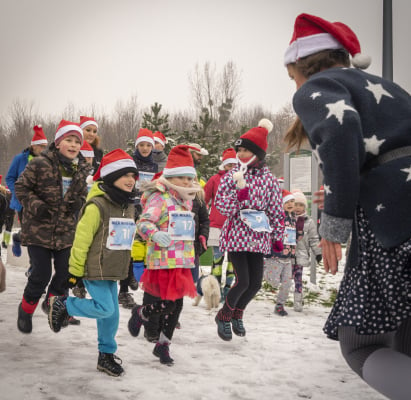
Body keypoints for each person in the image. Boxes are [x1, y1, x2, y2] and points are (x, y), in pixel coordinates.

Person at [283, 13, 411, 399]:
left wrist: (333, 225)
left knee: (359, 342)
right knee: (402, 339)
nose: (295, 86)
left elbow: (341, 133)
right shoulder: (389, 88)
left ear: (300, 68)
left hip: (394, 228)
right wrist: (352, 194)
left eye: (292, 78)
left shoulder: (317, 87)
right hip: (398, 206)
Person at [48, 149, 138, 377]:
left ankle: (105, 355)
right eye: (125, 175)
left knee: (112, 315)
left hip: (113, 270)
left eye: (133, 175)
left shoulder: (128, 206)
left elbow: (126, 242)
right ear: (110, 176)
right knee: (106, 308)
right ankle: (63, 304)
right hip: (94, 268)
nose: (131, 180)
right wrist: (75, 272)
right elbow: (81, 241)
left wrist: (128, 270)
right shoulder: (96, 206)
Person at [127, 145, 201, 365]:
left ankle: (163, 345)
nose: (187, 183)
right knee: (167, 304)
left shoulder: (186, 201)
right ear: (170, 177)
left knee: (177, 306)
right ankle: (142, 312)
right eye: (181, 178)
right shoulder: (160, 198)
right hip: (163, 260)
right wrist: (156, 234)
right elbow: (144, 223)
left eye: (190, 178)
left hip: (182, 260)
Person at [15, 120, 91, 334]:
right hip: (39, 230)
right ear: (58, 143)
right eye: (69, 140)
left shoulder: (82, 168)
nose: (74, 145)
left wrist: (81, 200)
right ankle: (26, 309)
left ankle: (52, 303)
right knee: (41, 274)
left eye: (77, 141)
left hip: (66, 230)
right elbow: (21, 187)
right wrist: (36, 205)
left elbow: (84, 192)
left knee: (66, 271)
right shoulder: (40, 163)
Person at [214, 119, 284, 341]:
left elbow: (276, 210)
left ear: (257, 153)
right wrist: (239, 198)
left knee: (254, 284)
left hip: (259, 235)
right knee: (242, 280)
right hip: (237, 235)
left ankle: (238, 313)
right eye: (239, 150)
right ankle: (224, 315)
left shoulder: (270, 180)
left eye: (246, 150)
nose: (241, 154)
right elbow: (221, 204)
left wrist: (277, 237)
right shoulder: (232, 176)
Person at [117, 128, 159, 309]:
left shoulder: (155, 166)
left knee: (144, 249)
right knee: (128, 248)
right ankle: (123, 290)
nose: (144, 148)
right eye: (141, 145)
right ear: (136, 146)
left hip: (148, 210)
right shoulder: (130, 162)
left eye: (148, 145)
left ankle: (145, 287)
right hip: (129, 208)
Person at [6, 125, 48, 257]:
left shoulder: (46, 160)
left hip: (40, 201)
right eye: (40, 146)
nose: (42, 149)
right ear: (33, 145)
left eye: (44, 147)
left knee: (38, 233)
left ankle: (32, 265)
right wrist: (17, 192)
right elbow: (9, 178)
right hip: (23, 201)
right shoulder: (20, 159)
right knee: (28, 231)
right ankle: (14, 239)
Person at [204, 148, 238, 300]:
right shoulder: (214, 179)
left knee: (233, 261)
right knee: (217, 260)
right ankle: (215, 289)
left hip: (236, 227)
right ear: (223, 166)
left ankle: (228, 289)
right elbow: (204, 198)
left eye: (234, 165)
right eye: (228, 165)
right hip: (217, 225)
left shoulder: (242, 179)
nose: (231, 168)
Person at [264, 190, 303, 316]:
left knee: (287, 283)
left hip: (288, 256)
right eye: (287, 202)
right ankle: (263, 269)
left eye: (293, 201)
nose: (291, 204)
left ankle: (280, 305)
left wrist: (299, 233)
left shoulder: (293, 218)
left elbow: (294, 237)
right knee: (273, 281)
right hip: (276, 255)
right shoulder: (276, 216)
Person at [291, 189, 322, 312]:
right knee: (285, 280)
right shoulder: (286, 219)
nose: (298, 208)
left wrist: (318, 253)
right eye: (295, 204)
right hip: (286, 255)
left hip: (300, 256)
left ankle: (298, 302)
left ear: (305, 207)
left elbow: (314, 239)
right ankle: (280, 302)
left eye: (301, 205)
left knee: (298, 279)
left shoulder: (309, 222)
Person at [0, 185, 14, 251]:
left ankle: (5, 242)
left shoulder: (3, 195)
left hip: (5, 213)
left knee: (6, 228)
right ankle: (5, 242)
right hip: (10, 213)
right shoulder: (12, 195)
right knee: (8, 228)